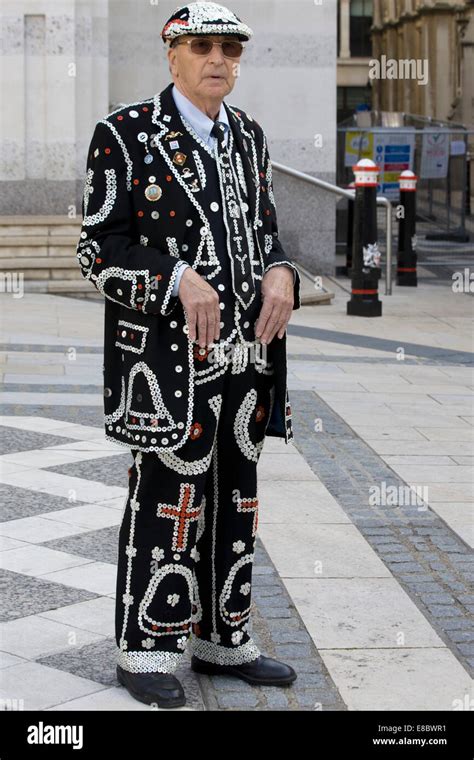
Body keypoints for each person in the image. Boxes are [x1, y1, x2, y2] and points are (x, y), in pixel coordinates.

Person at [76, 1, 301, 709]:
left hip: (246, 360)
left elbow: (266, 232)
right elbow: (96, 250)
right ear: (171, 53)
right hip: (167, 368)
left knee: (238, 499)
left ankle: (223, 639)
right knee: (168, 501)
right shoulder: (124, 134)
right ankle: (146, 650)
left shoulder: (250, 137)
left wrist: (283, 271)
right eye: (203, 47)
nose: (218, 61)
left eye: (230, 51)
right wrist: (174, 278)